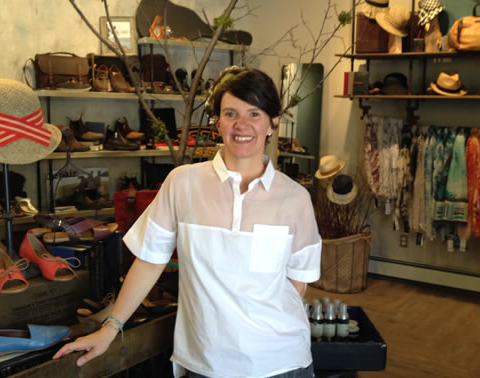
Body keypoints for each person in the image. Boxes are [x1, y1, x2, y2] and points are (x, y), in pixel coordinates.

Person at [53, 68, 322, 378]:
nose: (241, 125)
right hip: (206, 363)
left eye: (254, 113)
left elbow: (297, 285)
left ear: (273, 122)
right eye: (230, 113)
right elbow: (149, 261)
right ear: (218, 121)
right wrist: (111, 328)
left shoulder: (295, 197)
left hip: (282, 364)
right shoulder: (183, 183)